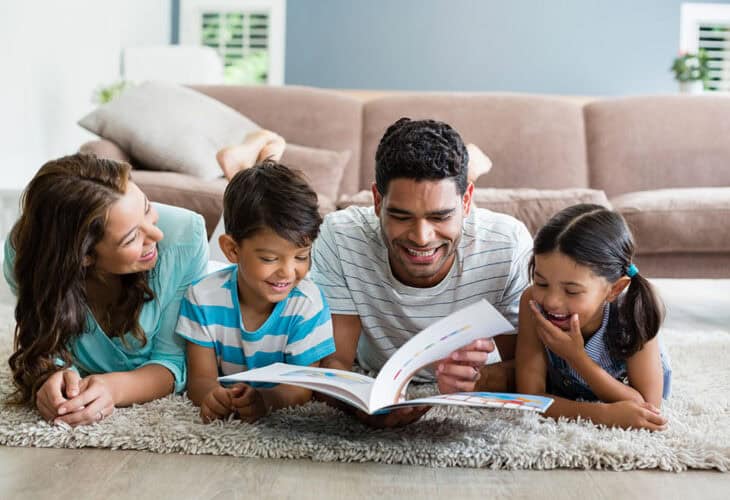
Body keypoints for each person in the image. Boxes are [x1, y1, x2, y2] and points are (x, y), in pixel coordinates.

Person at [308, 118, 534, 426]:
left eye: (440, 216)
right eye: (402, 217)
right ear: (377, 201)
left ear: (466, 201)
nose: (421, 237)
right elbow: (333, 363)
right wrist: (357, 406)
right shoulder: (341, 236)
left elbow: (527, 369)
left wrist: (480, 381)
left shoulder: (506, 245)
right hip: (376, 371)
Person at [4, 153, 208, 426]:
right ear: (83, 256)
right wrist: (51, 378)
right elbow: (45, 340)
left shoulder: (185, 237)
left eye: (147, 208)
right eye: (132, 237)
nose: (156, 235)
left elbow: (173, 361)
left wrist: (114, 388)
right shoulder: (28, 254)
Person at [175, 161, 336, 423]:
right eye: (270, 259)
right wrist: (213, 396)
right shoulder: (202, 298)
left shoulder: (307, 304)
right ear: (232, 250)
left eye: (301, 256)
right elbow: (201, 379)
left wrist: (264, 401)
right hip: (220, 275)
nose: (288, 271)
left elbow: (301, 389)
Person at [514, 204, 672, 431]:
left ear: (614, 289)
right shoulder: (533, 304)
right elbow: (530, 398)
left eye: (571, 291)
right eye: (541, 283)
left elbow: (646, 406)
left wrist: (577, 357)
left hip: (629, 378)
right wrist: (602, 414)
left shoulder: (634, 313)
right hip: (570, 383)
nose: (550, 301)